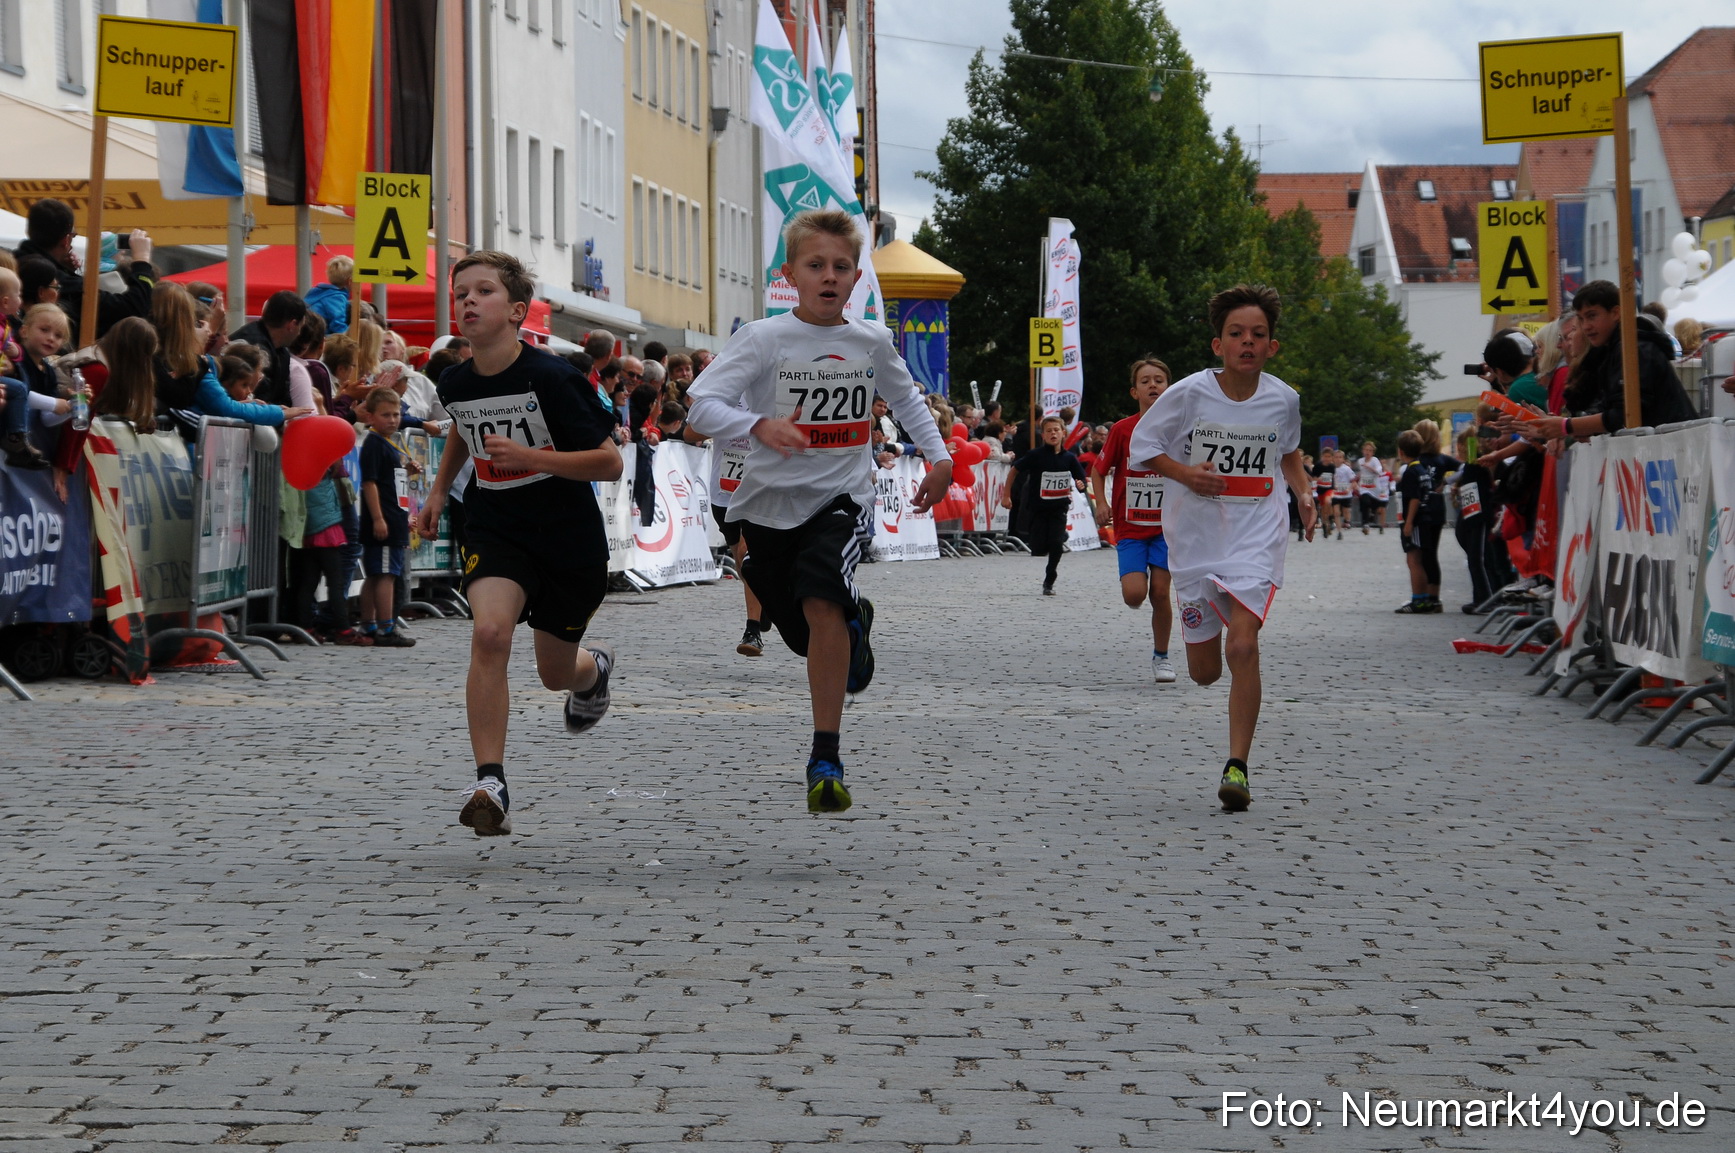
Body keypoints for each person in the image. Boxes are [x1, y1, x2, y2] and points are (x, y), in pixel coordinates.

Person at [686, 208, 952, 814]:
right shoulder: (762, 338)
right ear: (791, 274)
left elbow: (907, 400)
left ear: (857, 276)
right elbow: (701, 406)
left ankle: (825, 755)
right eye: (816, 266)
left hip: (840, 501)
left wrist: (939, 460)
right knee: (806, 636)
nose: (829, 276)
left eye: (841, 267)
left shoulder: (870, 341)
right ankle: (854, 625)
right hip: (765, 510)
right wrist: (758, 424)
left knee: (821, 599)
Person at [415, 251, 622, 838]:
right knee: (488, 633)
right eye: (460, 294)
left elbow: (609, 462)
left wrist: (532, 458)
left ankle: (592, 672)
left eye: (483, 292)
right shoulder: (453, 380)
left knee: (555, 672)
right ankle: (490, 780)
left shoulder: (553, 378)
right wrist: (437, 491)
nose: (468, 302)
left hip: (566, 536)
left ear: (516, 311)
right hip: (495, 524)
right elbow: (463, 423)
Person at [1129, 283, 1315, 813]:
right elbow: (1145, 448)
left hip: (1256, 537)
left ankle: (1238, 765)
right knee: (1205, 671)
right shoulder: (1187, 394)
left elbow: (1289, 453)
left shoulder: (1283, 399)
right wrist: (1186, 473)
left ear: (1272, 346)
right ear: (1219, 345)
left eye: (1258, 334)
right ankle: (1202, 636)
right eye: (1237, 334)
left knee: (1243, 645)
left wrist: (1302, 492)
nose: (1248, 343)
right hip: (1194, 542)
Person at [1519, 280, 1695, 442]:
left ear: (1616, 313)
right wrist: (1564, 427)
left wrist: (1566, 426)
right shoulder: (1608, 352)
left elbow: (1625, 414)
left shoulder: (1634, 350)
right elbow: (1594, 406)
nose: (1586, 326)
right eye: (1581, 319)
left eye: (1592, 316)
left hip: (1673, 448)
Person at [1091, 357, 1175, 681]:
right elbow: (1098, 471)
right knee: (1135, 595)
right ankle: (1159, 650)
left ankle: (1162, 656)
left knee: (1161, 593)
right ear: (1134, 391)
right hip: (1130, 525)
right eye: (1145, 381)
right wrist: (1100, 502)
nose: (1153, 385)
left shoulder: (1179, 428)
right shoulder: (1122, 430)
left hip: (1167, 526)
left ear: (1169, 388)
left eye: (1159, 380)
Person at [12, 200, 156, 346]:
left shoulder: (13, 261)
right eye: (73, 236)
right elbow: (133, 308)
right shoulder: (55, 278)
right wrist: (142, 260)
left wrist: (67, 270)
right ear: (66, 239)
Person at [355, 386, 417, 647]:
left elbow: (390, 480)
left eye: (396, 415)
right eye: (386, 415)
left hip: (394, 518)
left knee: (376, 573)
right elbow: (370, 483)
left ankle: (369, 625)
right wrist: (379, 518)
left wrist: (407, 470)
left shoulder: (388, 443)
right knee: (385, 575)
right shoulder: (374, 444)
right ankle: (385, 627)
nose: (393, 420)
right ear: (370, 416)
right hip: (385, 520)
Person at [1004, 415, 1085, 595]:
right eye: (1049, 431)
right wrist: (1006, 495)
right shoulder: (1035, 455)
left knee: (1056, 543)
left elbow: (1081, 479)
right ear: (1043, 435)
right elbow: (1014, 470)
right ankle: (1045, 541)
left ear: (1063, 433)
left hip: (1059, 508)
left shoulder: (1070, 458)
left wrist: (1081, 485)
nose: (1053, 434)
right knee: (1038, 547)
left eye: (1056, 430)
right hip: (1038, 508)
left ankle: (1050, 579)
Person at [1393, 426, 1458, 614]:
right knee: (1422, 558)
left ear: (1401, 451)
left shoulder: (1411, 472)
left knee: (1414, 560)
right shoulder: (1421, 469)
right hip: (1428, 516)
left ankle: (1419, 599)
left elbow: (1414, 498)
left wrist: (1409, 522)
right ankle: (1427, 598)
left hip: (1416, 520)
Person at [230, 290, 307, 405]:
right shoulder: (251, 348)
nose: (299, 333)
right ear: (292, 325)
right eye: (300, 326)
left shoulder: (282, 352)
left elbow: (283, 398)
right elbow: (262, 396)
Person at [304, 256, 354, 335]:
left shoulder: (316, 291)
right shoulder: (337, 297)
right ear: (349, 281)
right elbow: (338, 326)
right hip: (317, 337)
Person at [1354, 441, 1386, 535]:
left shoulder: (1375, 460)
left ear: (1373, 452)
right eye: (1366, 450)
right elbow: (1361, 473)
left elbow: (1379, 472)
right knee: (1365, 501)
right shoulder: (1360, 461)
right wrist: (1355, 481)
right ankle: (1365, 524)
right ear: (1363, 451)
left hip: (1374, 488)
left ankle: (1372, 514)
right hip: (1364, 487)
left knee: (1374, 506)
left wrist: (1369, 467)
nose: (1367, 452)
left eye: (1370, 450)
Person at [1330, 449, 1355, 539]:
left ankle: (1347, 521)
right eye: (1336, 457)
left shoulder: (1347, 469)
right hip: (1336, 494)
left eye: (1340, 457)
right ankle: (1339, 531)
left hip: (1346, 494)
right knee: (1336, 512)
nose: (1338, 459)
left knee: (1346, 511)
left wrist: (1349, 489)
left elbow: (1353, 481)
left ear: (1343, 459)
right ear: (1333, 458)